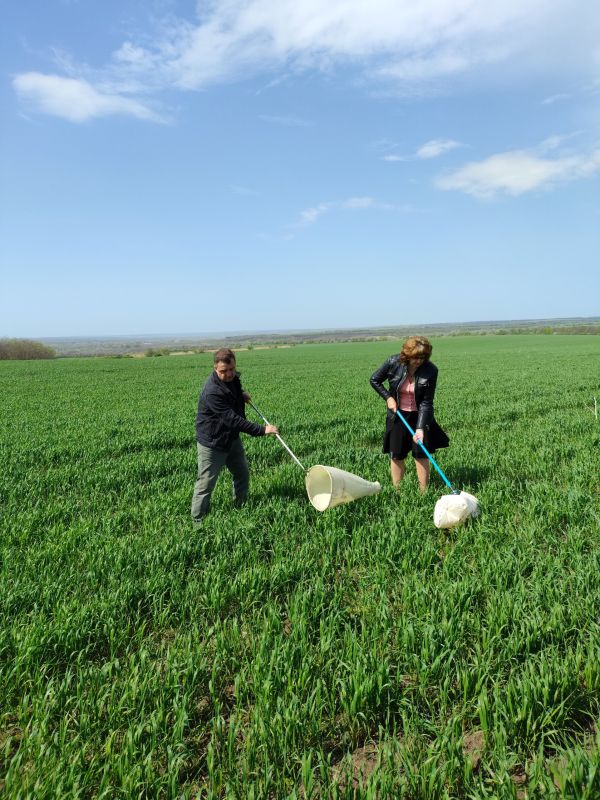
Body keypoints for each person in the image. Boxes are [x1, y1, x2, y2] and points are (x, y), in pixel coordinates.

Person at [191, 348, 278, 522]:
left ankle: (241, 504)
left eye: (231, 369)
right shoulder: (212, 392)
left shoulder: (233, 378)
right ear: (215, 368)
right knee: (206, 484)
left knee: (242, 473)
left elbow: (233, 389)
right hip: (213, 442)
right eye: (224, 371)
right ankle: (198, 520)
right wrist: (262, 430)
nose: (229, 374)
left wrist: (240, 394)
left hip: (231, 438)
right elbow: (233, 420)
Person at [370, 336, 449, 492]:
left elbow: (427, 402)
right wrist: (388, 398)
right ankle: (397, 490)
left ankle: (423, 491)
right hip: (398, 415)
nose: (419, 361)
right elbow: (374, 380)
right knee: (397, 454)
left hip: (420, 416)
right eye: (415, 357)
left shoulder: (431, 370)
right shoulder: (393, 362)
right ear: (407, 354)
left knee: (421, 453)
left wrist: (420, 428)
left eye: (423, 357)